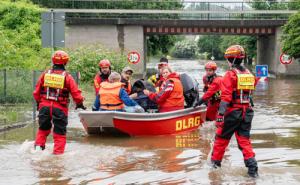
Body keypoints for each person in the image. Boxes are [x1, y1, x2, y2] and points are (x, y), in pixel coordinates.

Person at [210, 45, 259, 178]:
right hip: (247, 111)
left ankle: (214, 168)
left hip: (233, 112)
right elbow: (251, 90)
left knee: (221, 139)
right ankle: (253, 170)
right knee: (244, 140)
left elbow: (226, 97)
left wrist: (220, 114)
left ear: (230, 60)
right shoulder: (250, 74)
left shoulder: (230, 75)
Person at [33, 50, 86, 155]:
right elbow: (76, 94)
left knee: (43, 129)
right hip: (60, 109)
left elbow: (36, 92)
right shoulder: (67, 77)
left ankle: (37, 151)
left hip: (44, 107)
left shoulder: (45, 74)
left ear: (53, 61)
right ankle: (57, 157)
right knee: (59, 133)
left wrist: (40, 103)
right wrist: (80, 103)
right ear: (65, 63)